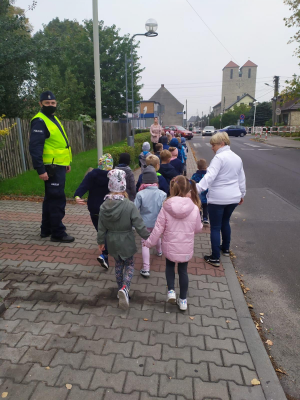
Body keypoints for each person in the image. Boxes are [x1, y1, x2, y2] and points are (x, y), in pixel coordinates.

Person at [144, 176, 202, 310]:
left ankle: (171, 291)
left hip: (170, 246)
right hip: (185, 247)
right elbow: (198, 228)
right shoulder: (194, 208)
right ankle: (183, 300)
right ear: (188, 190)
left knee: (169, 267)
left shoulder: (166, 206)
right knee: (183, 271)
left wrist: (149, 243)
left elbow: (158, 228)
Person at [97, 169, 150, 310]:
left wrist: (100, 242)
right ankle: (125, 289)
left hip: (112, 240)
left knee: (118, 265)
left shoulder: (103, 206)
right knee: (130, 265)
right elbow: (139, 224)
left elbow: (101, 226)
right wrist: (149, 238)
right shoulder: (129, 205)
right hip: (126, 239)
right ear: (123, 186)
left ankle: (120, 289)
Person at [29, 90, 74, 243]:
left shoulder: (52, 118)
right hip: (51, 167)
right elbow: (35, 147)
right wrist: (40, 169)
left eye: (53, 103)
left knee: (50, 199)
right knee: (56, 199)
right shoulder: (39, 121)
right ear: (40, 104)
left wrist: (66, 162)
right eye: (47, 103)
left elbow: (59, 144)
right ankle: (58, 233)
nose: (50, 105)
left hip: (59, 165)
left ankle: (46, 229)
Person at [196, 132, 246, 267]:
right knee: (225, 222)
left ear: (222, 144)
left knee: (215, 227)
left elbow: (209, 177)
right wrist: (242, 194)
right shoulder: (237, 158)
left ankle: (215, 257)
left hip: (218, 198)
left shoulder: (219, 158)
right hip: (233, 197)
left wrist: (196, 189)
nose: (211, 147)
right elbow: (241, 178)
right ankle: (225, 249)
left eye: (213, 145)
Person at [74, 153, 112, 268]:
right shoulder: (113, 175)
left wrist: (77, 196)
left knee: (100, 231)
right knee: (107, 232)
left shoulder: (92, 174)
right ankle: (105, 254)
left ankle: (104, 252)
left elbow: (83, 186)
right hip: (108, 208)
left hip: (94, 208)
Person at [134, 166, 167, 277]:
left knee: (145, 244)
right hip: (157, 223)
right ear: (156, 181)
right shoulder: (162, 194)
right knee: (156, 236)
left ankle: (146, 268)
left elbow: (134, 209)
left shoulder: (140, 194)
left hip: (144, 223)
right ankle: (159, 251)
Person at [191, 159, 209, 224]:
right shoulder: (208, 176)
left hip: (198, 194)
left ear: (198, 167)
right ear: (206, 166)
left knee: (198, 206)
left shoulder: (195, 175)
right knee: (205, 206)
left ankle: (198, 217)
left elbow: (192, 182)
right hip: (206, 194)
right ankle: (205, 218)